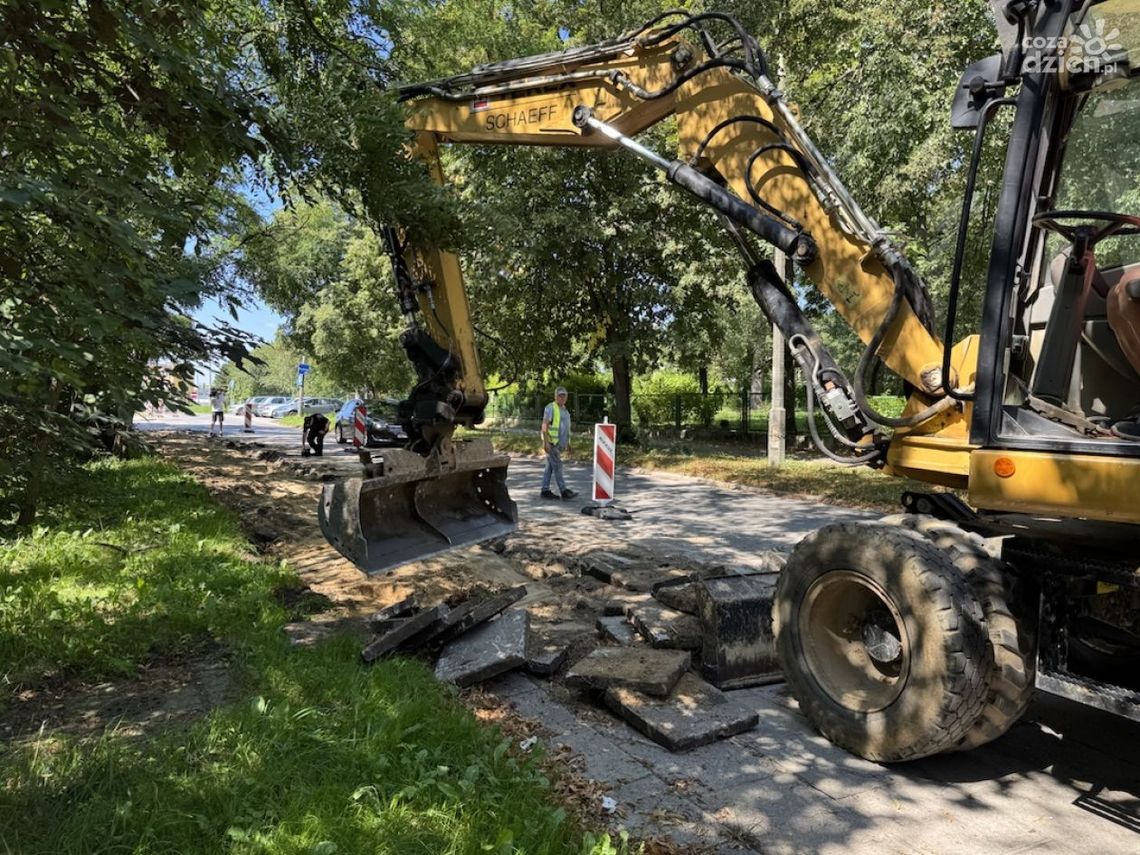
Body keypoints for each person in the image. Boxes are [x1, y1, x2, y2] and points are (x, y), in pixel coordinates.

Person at [540, 386, 578, 500]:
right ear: (555, 396)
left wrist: (568, 443)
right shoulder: (550, 408)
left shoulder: (565, 410)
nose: (562, 398)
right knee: (558, 466)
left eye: (564, 395)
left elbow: (566, 428)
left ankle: (545, 490)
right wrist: (546, 442)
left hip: (559, 444)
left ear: (566, 397)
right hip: (551, 443)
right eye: (560, 395)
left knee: (550, 468)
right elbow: (544, 425)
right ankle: (563, 491)